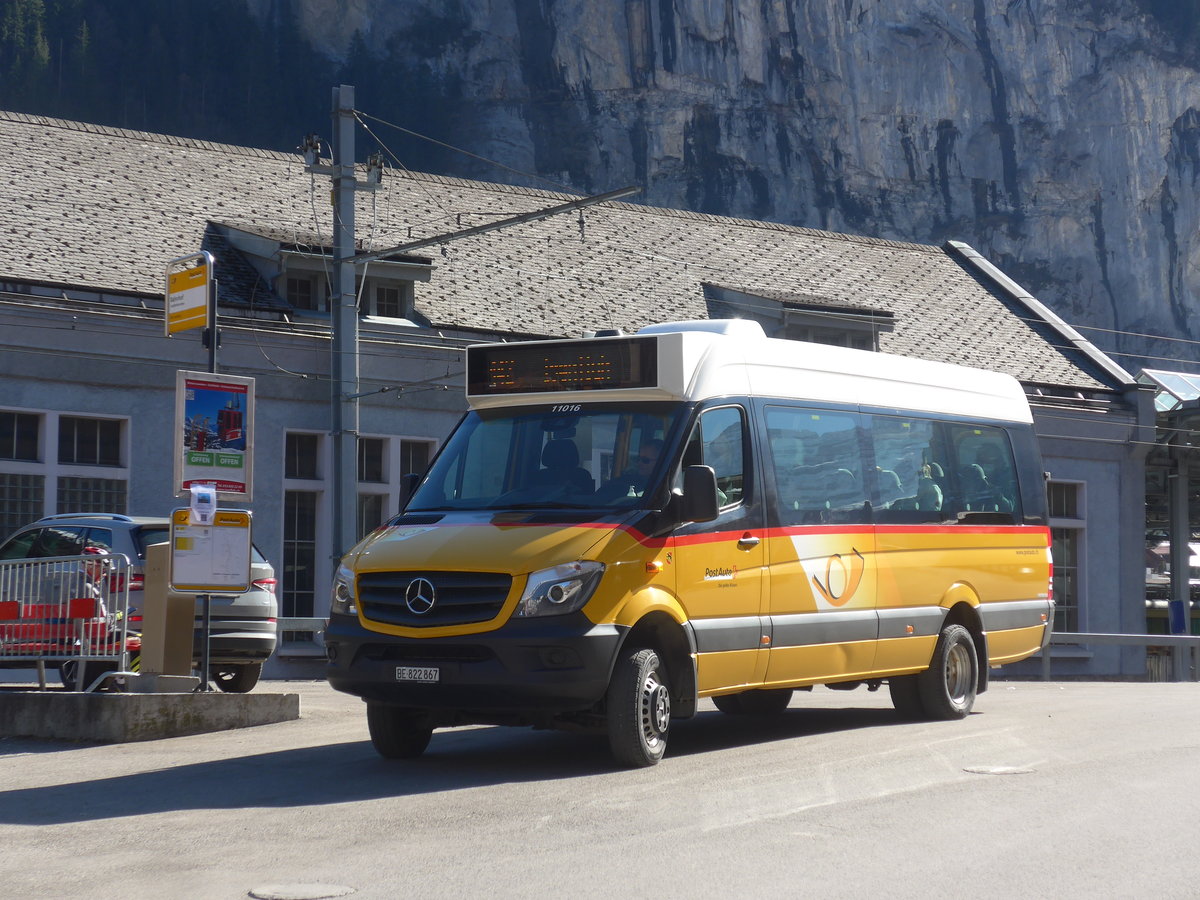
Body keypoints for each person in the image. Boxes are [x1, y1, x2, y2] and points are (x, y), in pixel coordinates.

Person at [596, 438, 663, 501]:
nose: (639, 463)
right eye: (638, 459)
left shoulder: (662, 488)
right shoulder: (623, 482)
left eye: (645, 460)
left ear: (660, 462)